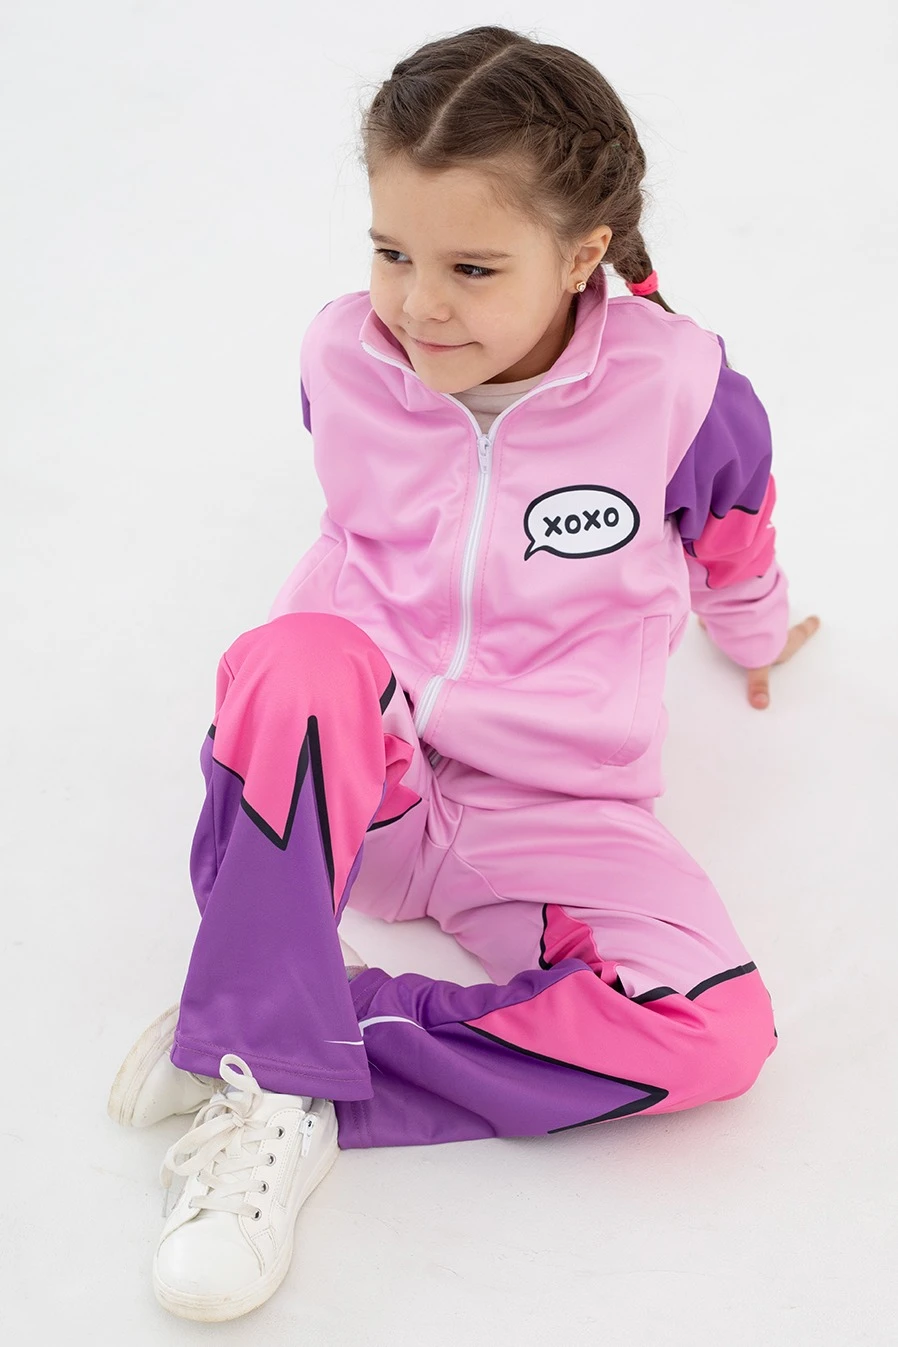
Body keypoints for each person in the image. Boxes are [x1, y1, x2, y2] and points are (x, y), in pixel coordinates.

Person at [107, 23, 820, 1324]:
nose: (418, 306)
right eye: (392, 252)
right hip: (354, 778)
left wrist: (759, 639)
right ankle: (263, 1069)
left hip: (557, 809)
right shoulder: (339, 355)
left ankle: (292, 1032)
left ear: (583, 254)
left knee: (716, 1035)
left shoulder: (683, 390)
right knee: (291, 659)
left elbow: (736, 536)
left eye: (472, 268)